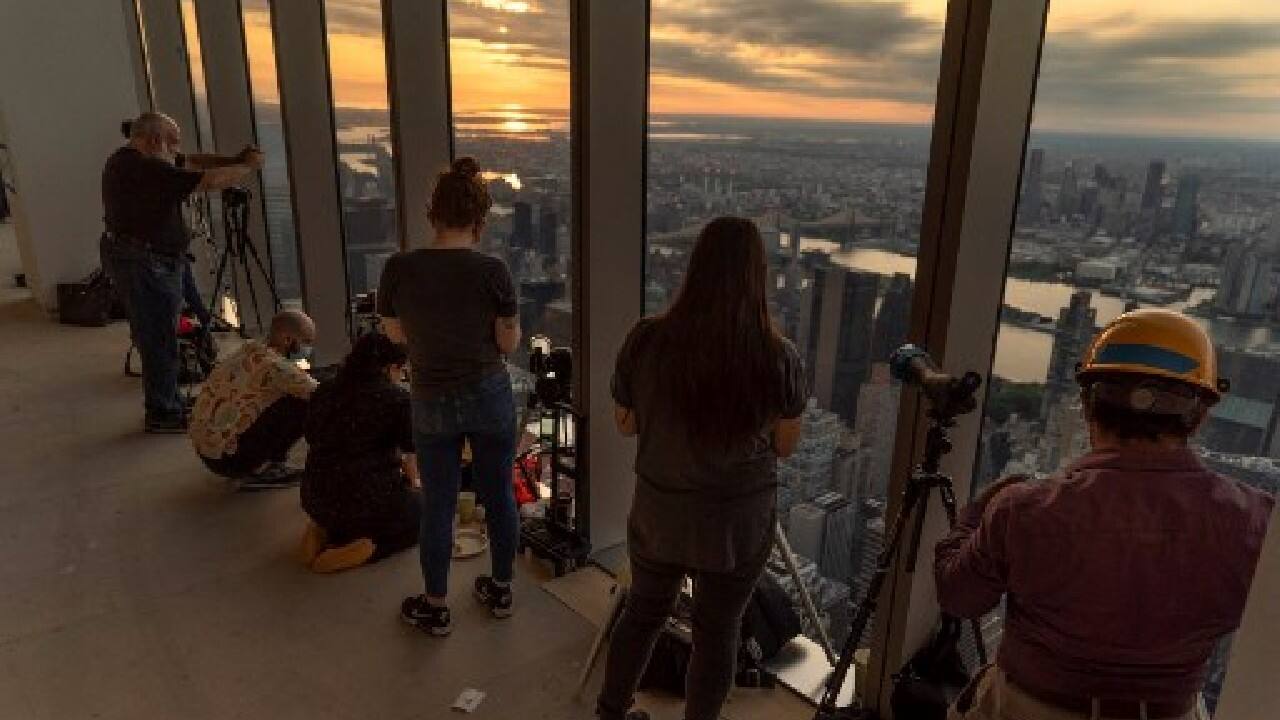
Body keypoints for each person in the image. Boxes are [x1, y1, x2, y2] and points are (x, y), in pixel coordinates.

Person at [935, 308, 1274, 720]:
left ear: (1087, 405)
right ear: (1200, 416)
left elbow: (960, 597)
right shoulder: (1255, 521)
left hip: (1025, 708)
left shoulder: (1024, 508)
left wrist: (977, 514)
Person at [596, 216, 809, 720]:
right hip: (736, 523)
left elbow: (626, 424)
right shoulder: (777, 357)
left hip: (661, 511)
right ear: (757, 277)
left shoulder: (647, 340)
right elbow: (785, 446)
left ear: (695, 269)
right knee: (718, 632)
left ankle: (610, 711)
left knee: (643, 613)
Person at [379, 157, 521, 636]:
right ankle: (501, 590)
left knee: (438, 503)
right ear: (479, 220)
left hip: (432, 395)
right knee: (499, 495)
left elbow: (396, 335)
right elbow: (507, 343)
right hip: (489, 393)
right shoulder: (493, 271)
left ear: (432, 214)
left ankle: (436, 605)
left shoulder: (398, 268)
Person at [101, 111, 262, 433]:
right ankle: (163, 412)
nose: (177, 150)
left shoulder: (132, 160)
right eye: (172, 142)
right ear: (154, 140)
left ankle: (169, 400)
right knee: (159, 338)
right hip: (146, 263)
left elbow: (193, 162)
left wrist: (232, 159)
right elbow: (208, 181)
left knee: (159, 334)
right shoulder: (145, 168)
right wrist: (248, 167)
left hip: (148, 258)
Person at [299, 332, 422, 573]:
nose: (401, 377)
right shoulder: (395, 398)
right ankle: (367, 549)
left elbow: (312, 436)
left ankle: (324, 530)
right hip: (363, 503)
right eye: (401, 370)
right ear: (390, 368)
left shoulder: (324, 389)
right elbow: (411, 451)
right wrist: (414, 483)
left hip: (314, 496)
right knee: (423, 514)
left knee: (345, 505)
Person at [189, 310, 317, 489]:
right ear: (287, 339)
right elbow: (322, 394)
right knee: (306, 404)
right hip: (231, 459)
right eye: (306, 342)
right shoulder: (277, 367)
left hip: (209, 453)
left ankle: (258, 462)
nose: (308, 349)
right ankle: (262, 468)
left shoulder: (247, 350)